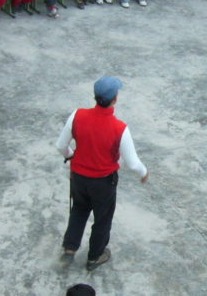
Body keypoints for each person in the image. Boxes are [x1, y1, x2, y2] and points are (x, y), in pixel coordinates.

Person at [55, 76, 150, 271]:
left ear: (95, 96)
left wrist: (71, 156)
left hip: (79, 178)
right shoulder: (119, 128)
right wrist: (144, 172)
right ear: (115, 99)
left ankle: (70, 249)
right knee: (102, 219)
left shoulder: (77, 115)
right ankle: (95, 256)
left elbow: (61, 146)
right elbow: (132, 163)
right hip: (103, 183)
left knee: (79, 209)